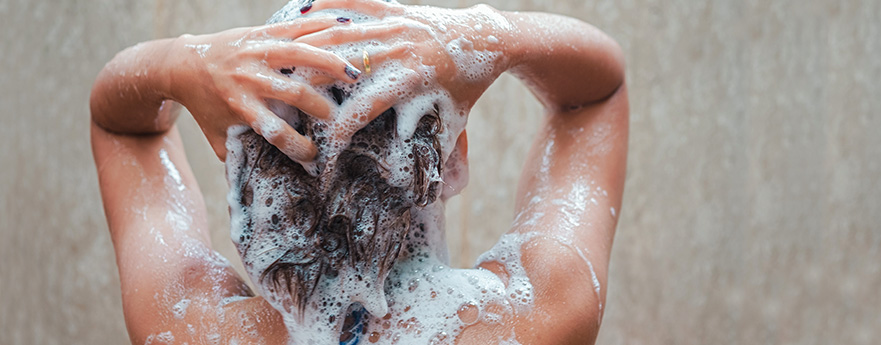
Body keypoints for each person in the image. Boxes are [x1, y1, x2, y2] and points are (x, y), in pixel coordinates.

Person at [89, 0, 627, 344]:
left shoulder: (185, 326)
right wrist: (492, 36)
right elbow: (595, 98)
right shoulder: (539, 315)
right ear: (455, 158)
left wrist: (182, 61)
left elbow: (122, 128)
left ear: (242, 175)